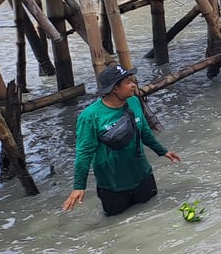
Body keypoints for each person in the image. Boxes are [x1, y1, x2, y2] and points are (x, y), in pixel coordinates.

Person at [63, 64, 180, 216]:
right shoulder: (90, 116)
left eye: (132, 80)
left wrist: (163, 151)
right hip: (113, 185)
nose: (133, 85)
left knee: (152, 214)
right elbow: (84, 153)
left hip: (142, 177)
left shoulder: (134, 102)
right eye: (127, 82)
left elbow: (144, 131)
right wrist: (79, 186)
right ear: (114, 89)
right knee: (117, 224)